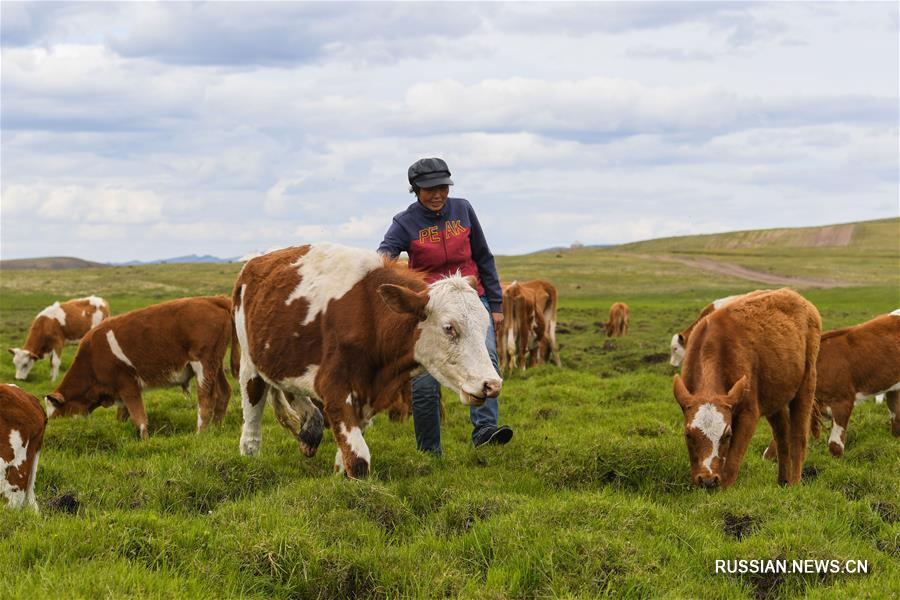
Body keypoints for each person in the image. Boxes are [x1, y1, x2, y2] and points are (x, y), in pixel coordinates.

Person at [378, 157, 513, 454]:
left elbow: (483, 256)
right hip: (434, 308)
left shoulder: (463, 210)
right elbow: (384, 257)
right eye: (429, 189)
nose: (438, 194)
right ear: (415, 189)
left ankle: (485, 430)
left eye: (442, 187)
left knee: (486, 354)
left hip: (469, 300)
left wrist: (496, 303)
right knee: (425, 382)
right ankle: (429, 451)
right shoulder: (405, 222)